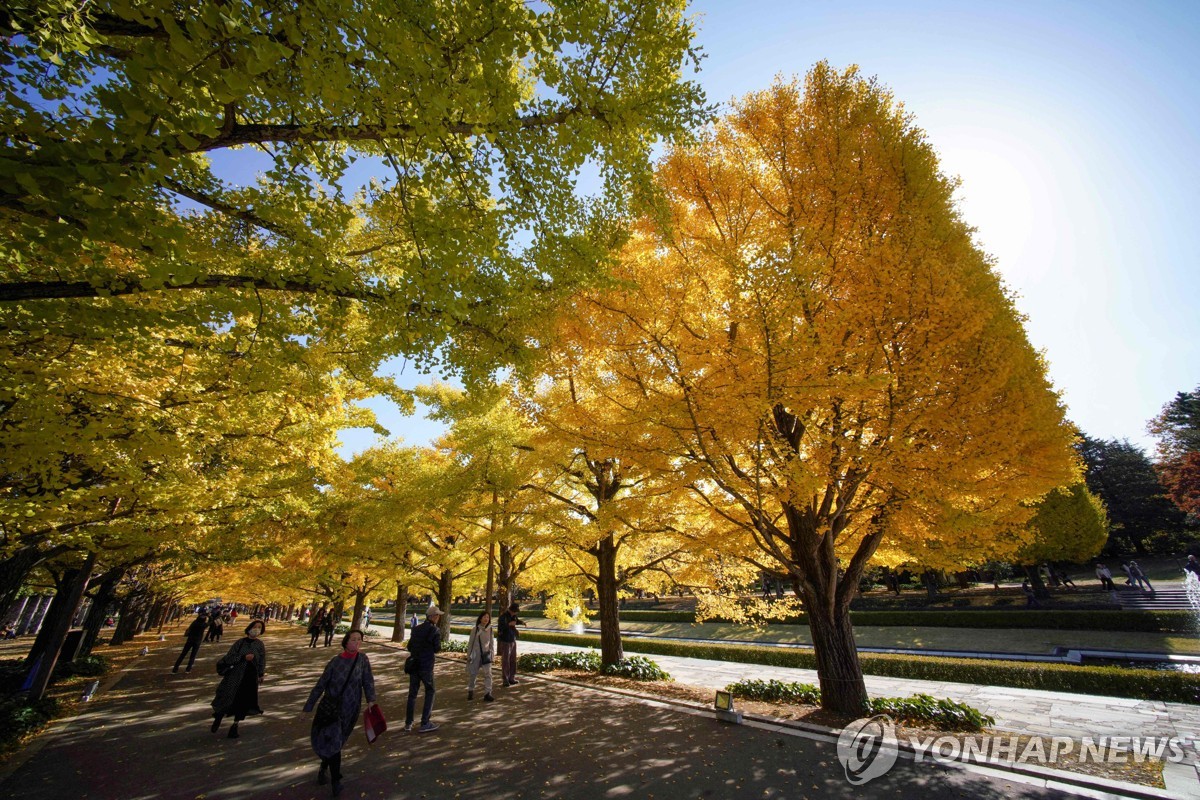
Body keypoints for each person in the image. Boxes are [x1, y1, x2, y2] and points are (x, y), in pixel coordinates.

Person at [304, 629, 378, 797]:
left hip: (351, 708)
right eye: (353, 639)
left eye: (359, 639)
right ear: (346, 642)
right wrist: (307, 708)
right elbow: (320, 685)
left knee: (338, 740)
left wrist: (371, 699)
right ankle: (336, 780)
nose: (356, 642)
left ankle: (324, 765)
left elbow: (368, 680)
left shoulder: (362, 660)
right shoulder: (335, 662)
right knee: (335, 741)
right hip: (332, 709)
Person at [211, 619, 267, 739]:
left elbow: (262, 660)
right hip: (235, 674)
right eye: (255, 627)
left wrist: (261, 674)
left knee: (243, 701)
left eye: (259, 628)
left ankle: (235, 726)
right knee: (228, 696)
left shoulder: (260, 645)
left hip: (250, 676)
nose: (256, 629)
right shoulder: (240, 642)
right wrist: (243, 657)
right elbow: (229, 657)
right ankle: (219, 715)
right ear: (249, 628)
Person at [405, 605, 442, 733]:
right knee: (430, 691)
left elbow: (409, 647)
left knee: (412, 694)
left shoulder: (416, 629)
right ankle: (425, 722)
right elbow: (437, 649)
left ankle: (408, 723)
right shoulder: (434, 630)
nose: (438, 618)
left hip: (414, 664)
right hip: (426, 666)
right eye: (437, 615)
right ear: (432, 617)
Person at [465, 611, 495, 702]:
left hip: (486, 655)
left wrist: (492, 655)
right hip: (475, 654)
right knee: (473, 674)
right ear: (480, 618)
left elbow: (492, 644)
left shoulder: (490, 629)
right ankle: (471, 690)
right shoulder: (475, 629)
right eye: (484, 617)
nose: (486, 619)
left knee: (488, 674)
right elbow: (471, 643)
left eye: (488, 617)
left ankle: (487, 693)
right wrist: (468, 655)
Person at [497, 602, 525, 687]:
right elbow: (500, 628)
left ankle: (511, 678)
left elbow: (516, 621)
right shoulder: (503, 617)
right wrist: (509, 624)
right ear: (511, 610)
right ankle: (505, 678)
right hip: (505, 640)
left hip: (513, 639)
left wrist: (522, 622)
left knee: (513, 659)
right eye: (515, 611)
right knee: (506, 660)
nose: (516, 613)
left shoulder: (514, 616)